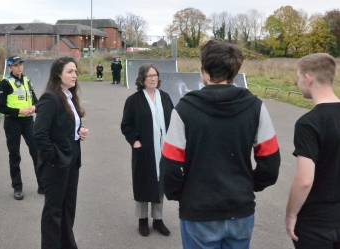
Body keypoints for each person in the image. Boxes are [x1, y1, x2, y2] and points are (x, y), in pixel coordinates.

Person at [161, 39, 281, 248]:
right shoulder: (256, 107)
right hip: (240, 209)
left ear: (204, 71)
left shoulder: (184, 109)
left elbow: (170, 164)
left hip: (198, 210)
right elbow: (270, 163)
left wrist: (180, 194)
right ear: (234, 73)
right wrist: (249, 185)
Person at [285, 53, 340, 249]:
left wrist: (290, 215)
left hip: (316, 224)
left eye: (299, 77)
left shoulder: (309, 123)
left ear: (308, 79)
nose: (298, 82)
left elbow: (304, 180)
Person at [33, 57, 89, 248]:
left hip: (72, 160)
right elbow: (39, 134)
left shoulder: (69, 96)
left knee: (68, 208)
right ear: (58, 74)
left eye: (75, 71)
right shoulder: (50, 98)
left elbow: (64, 126)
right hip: (56, 163)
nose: (75, 75)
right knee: (53, 211)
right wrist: (54, 158)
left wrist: (78, 132)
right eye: (70, 72)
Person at [121, 64, 174, 237]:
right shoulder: (134, 100)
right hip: (144, 150)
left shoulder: (165, 97)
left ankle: (158, 220)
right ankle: (142, 219)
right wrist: (135, 141)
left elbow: (173, 120)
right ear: (142, 79)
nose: (153, 78)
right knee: (143, 183)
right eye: (150, 75)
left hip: (163, 150)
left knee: (160, 185)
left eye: (155, 75)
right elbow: (126, 125)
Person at [0, 55, 43, 200]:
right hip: (12, 123)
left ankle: (42, 184)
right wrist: (19, 111)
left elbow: (35, 99)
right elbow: (2, 108)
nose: (19, 67)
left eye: (21, 64)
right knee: (15, 154)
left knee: (36, 151)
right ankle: (17, 187)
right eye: (16, 65)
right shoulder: (5, 83)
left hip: (29, 121)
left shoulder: (27, 79)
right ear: (10, 67)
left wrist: (34, 107)